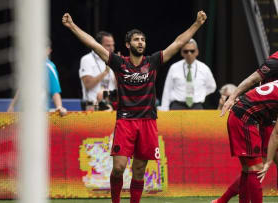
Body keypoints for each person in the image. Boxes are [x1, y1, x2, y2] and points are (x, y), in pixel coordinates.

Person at [62, 11, 207, 203]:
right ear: (128, 45)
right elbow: (93, 45)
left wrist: (197, 24)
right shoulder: (119, 63)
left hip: (147, 122)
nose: (140, 42)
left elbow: (179, 43)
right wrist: (72, 26)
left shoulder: (152, 62)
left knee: (139, 171)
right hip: (125, 121)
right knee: (119, 168)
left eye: (143, 40)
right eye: (136, 40)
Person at [214, 52, 278, 203]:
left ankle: (223, 200)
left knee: (249, 168)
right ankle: (222, 200)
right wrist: (269, 161)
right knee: (256, 167)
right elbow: (276, 134)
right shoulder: (274, 61)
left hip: (252, 114)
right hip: (249, 117)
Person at [7, 42, 67, 116]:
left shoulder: (49, 67)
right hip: (23, 112)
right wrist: (12, 106)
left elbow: (55, 91)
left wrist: (59, 106)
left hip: (39, 114)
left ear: (49, 51)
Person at [159, 38, 216, 110]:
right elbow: (167, 89)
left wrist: (201, 94)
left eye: (192, 51)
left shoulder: (204, 68)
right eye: (186, 51)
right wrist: (164, 108)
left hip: (196, 106)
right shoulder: (174, 67)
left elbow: (212, 86)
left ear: (197, 52)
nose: (189, 54)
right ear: (181, 53)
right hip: (177, 105)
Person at [79, 31, 117, 110]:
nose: (112, 48)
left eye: (113, 45)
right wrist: (105, 72)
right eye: (108, 45)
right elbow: (88, 84)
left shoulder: (114, 60)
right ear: (98, 45)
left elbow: (118, 86)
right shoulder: (87, 59)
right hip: (92, 106)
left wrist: (119, 71)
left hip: (111, 106)